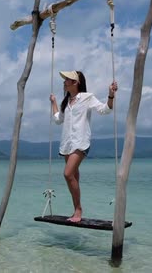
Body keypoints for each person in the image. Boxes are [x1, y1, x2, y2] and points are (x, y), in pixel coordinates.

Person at [49, 70, 118, 222]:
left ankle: (78, 210)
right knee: (73, 177)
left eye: (67, 79)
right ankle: (76, 211)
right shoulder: (66, 101)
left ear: (75, 82)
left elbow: (104, 110)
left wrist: (111, 94)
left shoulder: (87, 97)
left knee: (67, 174)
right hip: (67, 144)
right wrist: (54, 103)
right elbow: (58, 119)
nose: (64, 81)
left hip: (80, 142)